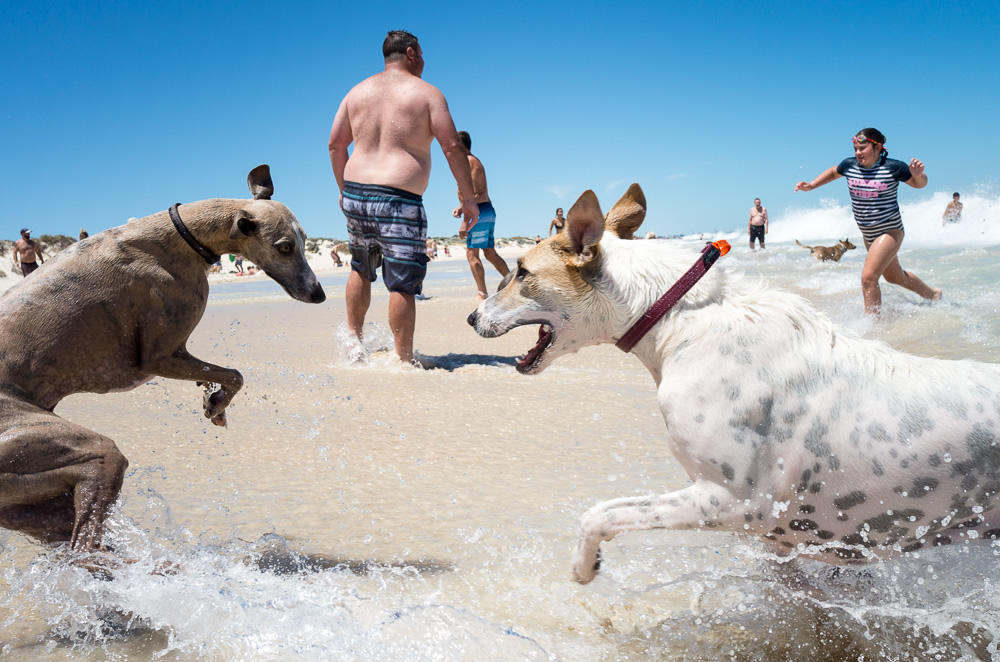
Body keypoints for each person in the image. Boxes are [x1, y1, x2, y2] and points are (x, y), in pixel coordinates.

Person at [328, 30, 479, 364]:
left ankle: (354, 343)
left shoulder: (356, 92)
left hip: (355, 194)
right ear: (411, 53)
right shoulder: (427, 94)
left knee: (360, 266)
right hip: (398, 198)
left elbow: (336, 145)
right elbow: (452, 146)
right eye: (422, 54)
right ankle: (402, 359)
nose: (424, 61)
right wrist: (469, 198)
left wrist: (343, 189)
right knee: (401, 283)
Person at [794, 128, 941, 315]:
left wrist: (918, 174)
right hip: (868, 234)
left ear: (878, 147)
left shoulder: (894, 167)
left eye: (862, 148)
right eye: (855, 148)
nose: (857, 153)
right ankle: (933, 295)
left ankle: (872, 328)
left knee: (868, 278)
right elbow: (833, 172)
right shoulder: (850, 165)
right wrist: (812, 185)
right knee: (894, 277)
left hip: (890, 231)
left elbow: (919, 184)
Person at [451, 131, 509, 299]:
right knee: (490, 253)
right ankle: (514, 283)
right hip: (485, 209)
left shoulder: (469, 162)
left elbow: (476, 194)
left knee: (471, 254)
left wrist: (465, 222)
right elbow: (472, 195)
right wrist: (461, 206)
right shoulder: (471, 162)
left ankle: (482, 293)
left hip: (479, 211)